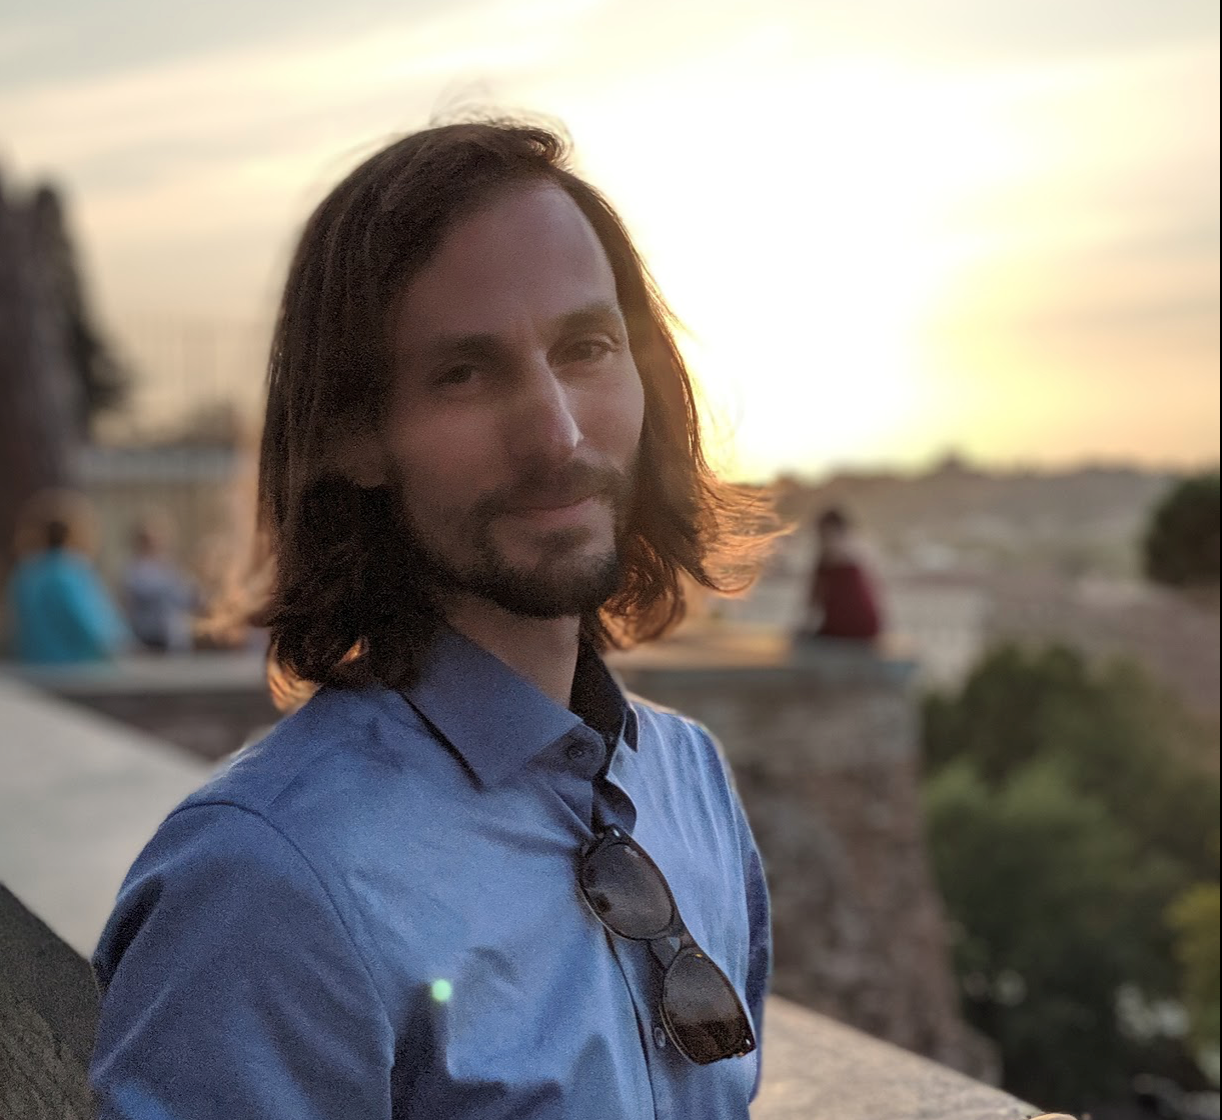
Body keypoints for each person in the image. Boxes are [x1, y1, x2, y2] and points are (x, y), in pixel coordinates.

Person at [90, 119, 775, 1119]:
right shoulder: (269, 884)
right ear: (354, 436)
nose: (557, 435)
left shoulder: (689, 782)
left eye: (586, 347)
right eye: (464, 373)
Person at [6, 496, 128, 664]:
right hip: (74, 670)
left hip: (31, 668)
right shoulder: (72, 572)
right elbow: (99, 632)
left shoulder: (24, 573)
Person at [800, 506, 884, 642]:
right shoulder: (860, 548)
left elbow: (813, 597)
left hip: (844, 626)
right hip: (868, 625)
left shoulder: (828, 554)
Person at [121, 515, 199, 653]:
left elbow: (185, 598)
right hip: (148, 637)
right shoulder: (133, 570)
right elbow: (144, 594)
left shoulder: (169, 568)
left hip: (172, 638)